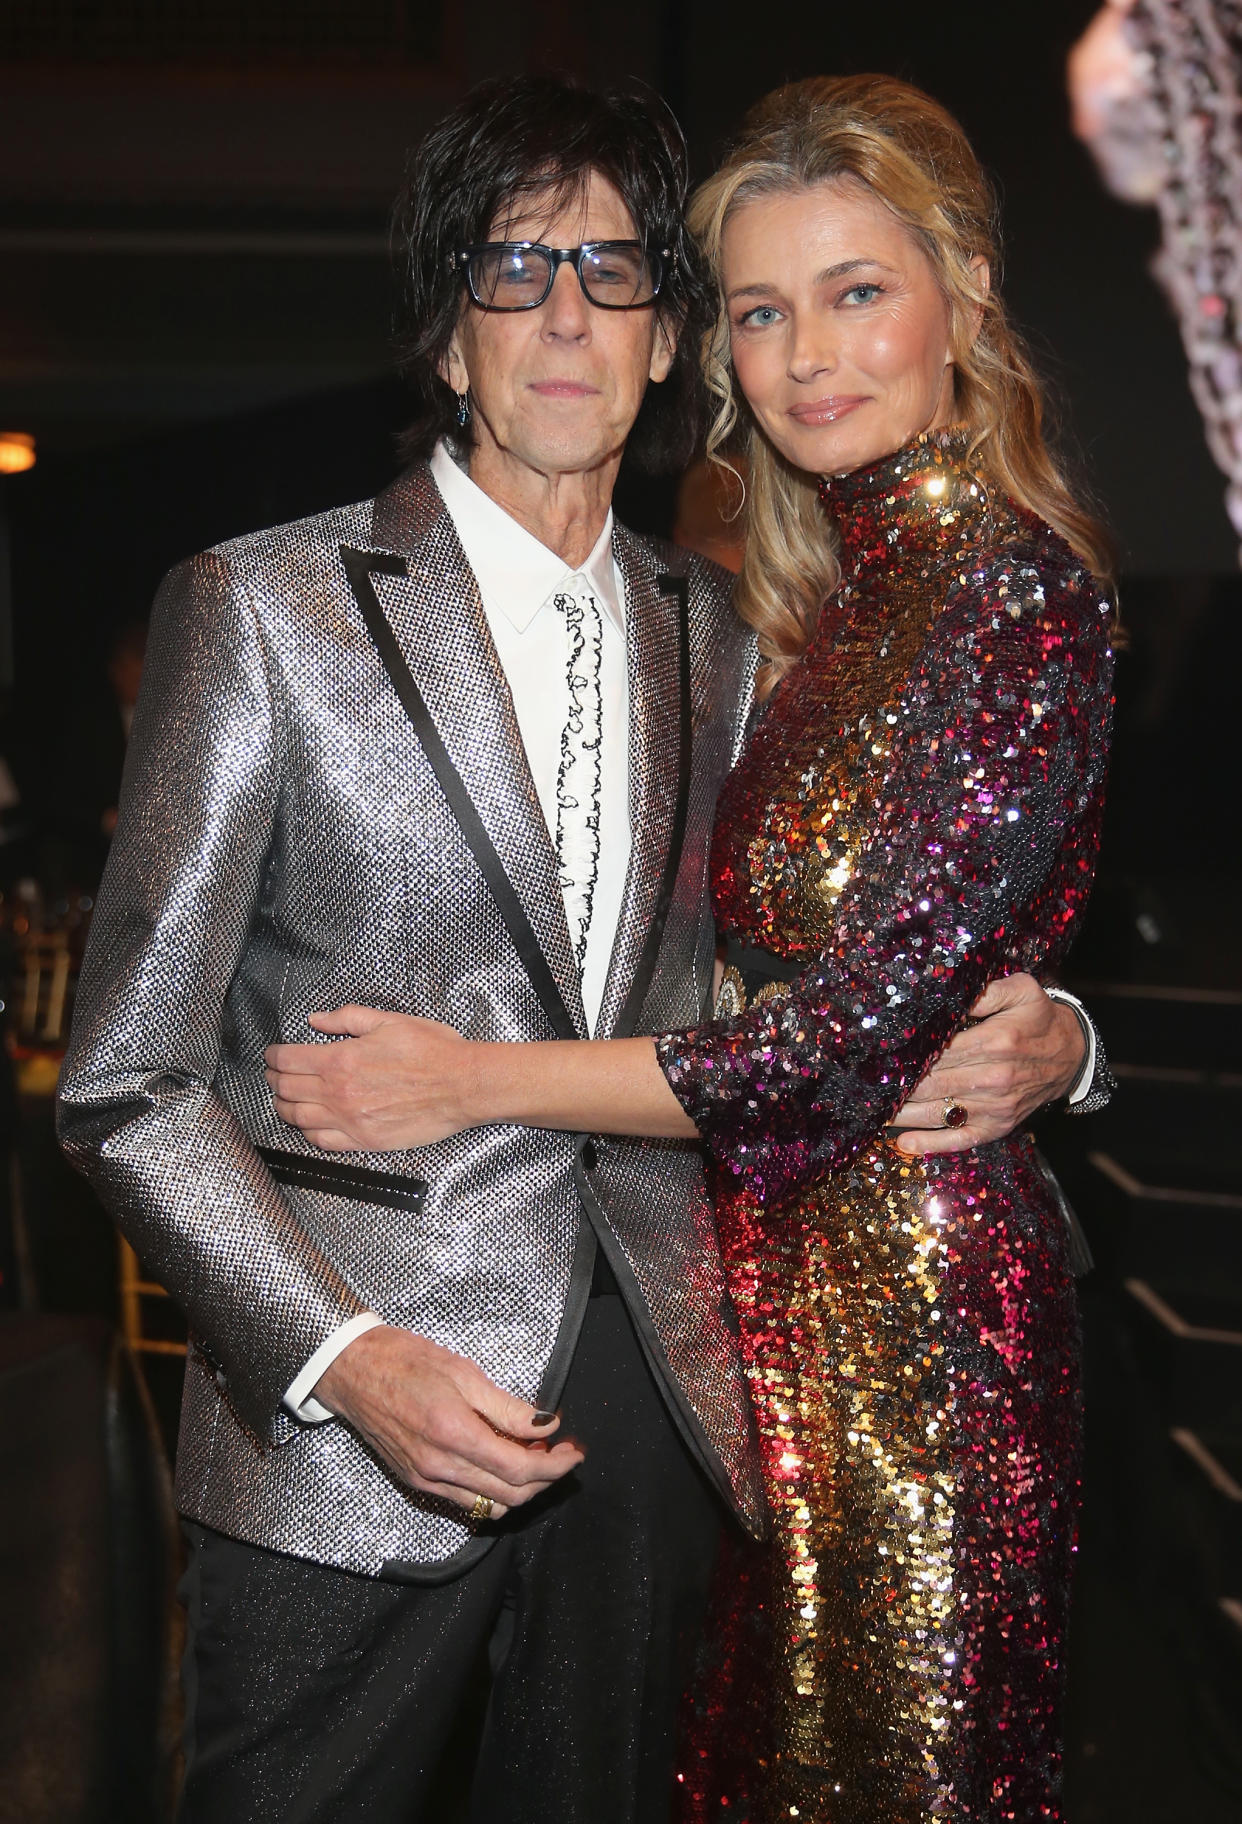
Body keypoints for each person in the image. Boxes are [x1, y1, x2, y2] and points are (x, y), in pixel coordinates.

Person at [266, 76, 1116, 1821]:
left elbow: (831, 1044)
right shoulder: (782, 615)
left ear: (958, 291)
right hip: (742, 1353)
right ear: (712, 346)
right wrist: (1054, 1023)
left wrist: (463, 1082)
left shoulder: (1011, 592)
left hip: (915, 1334)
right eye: (759, 308)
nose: (808, 355)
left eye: (856, 292)